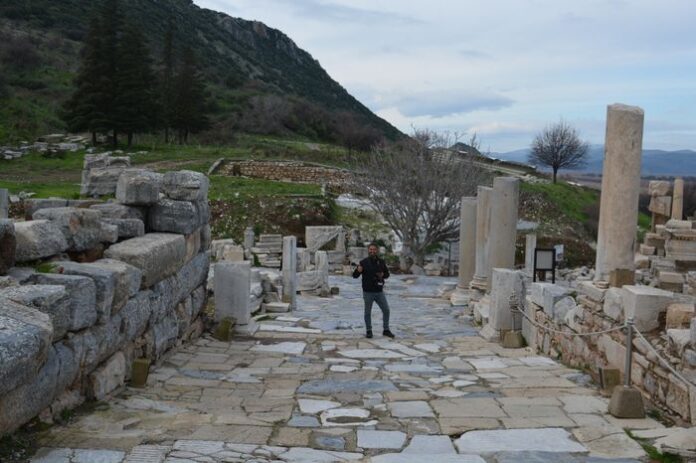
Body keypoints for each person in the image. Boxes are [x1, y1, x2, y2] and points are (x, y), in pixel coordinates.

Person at [353, 243, 395, 339]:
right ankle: (369, 331)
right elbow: (355, 276)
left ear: (377, 250)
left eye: (374, 249)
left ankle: (386, 330)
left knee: (386, 310)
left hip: (379, 291)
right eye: (371, 249)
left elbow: (387, 274)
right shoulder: (363, 262)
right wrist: (358, 271)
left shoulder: (381, 262)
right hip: (368, 292)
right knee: (368, 312)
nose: (372, 251)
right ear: (368, 250)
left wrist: (383, 275)